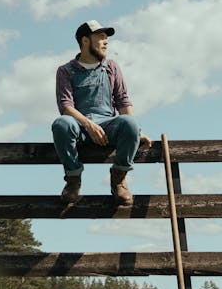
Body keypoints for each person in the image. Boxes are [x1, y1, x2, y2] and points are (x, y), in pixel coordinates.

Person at [51, 20, 150, 206]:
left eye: (107, 38)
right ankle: (73, 180)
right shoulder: (66, 71)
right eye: (101, 37)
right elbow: (65, 105)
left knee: (131, 123)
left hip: (108, 126)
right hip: (79, 127)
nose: (106, 42)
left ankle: (119, 178)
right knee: (61, 123)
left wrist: (137, 131)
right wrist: (88, 125)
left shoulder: (111, 67)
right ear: (85, 40)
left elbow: (122, 100)